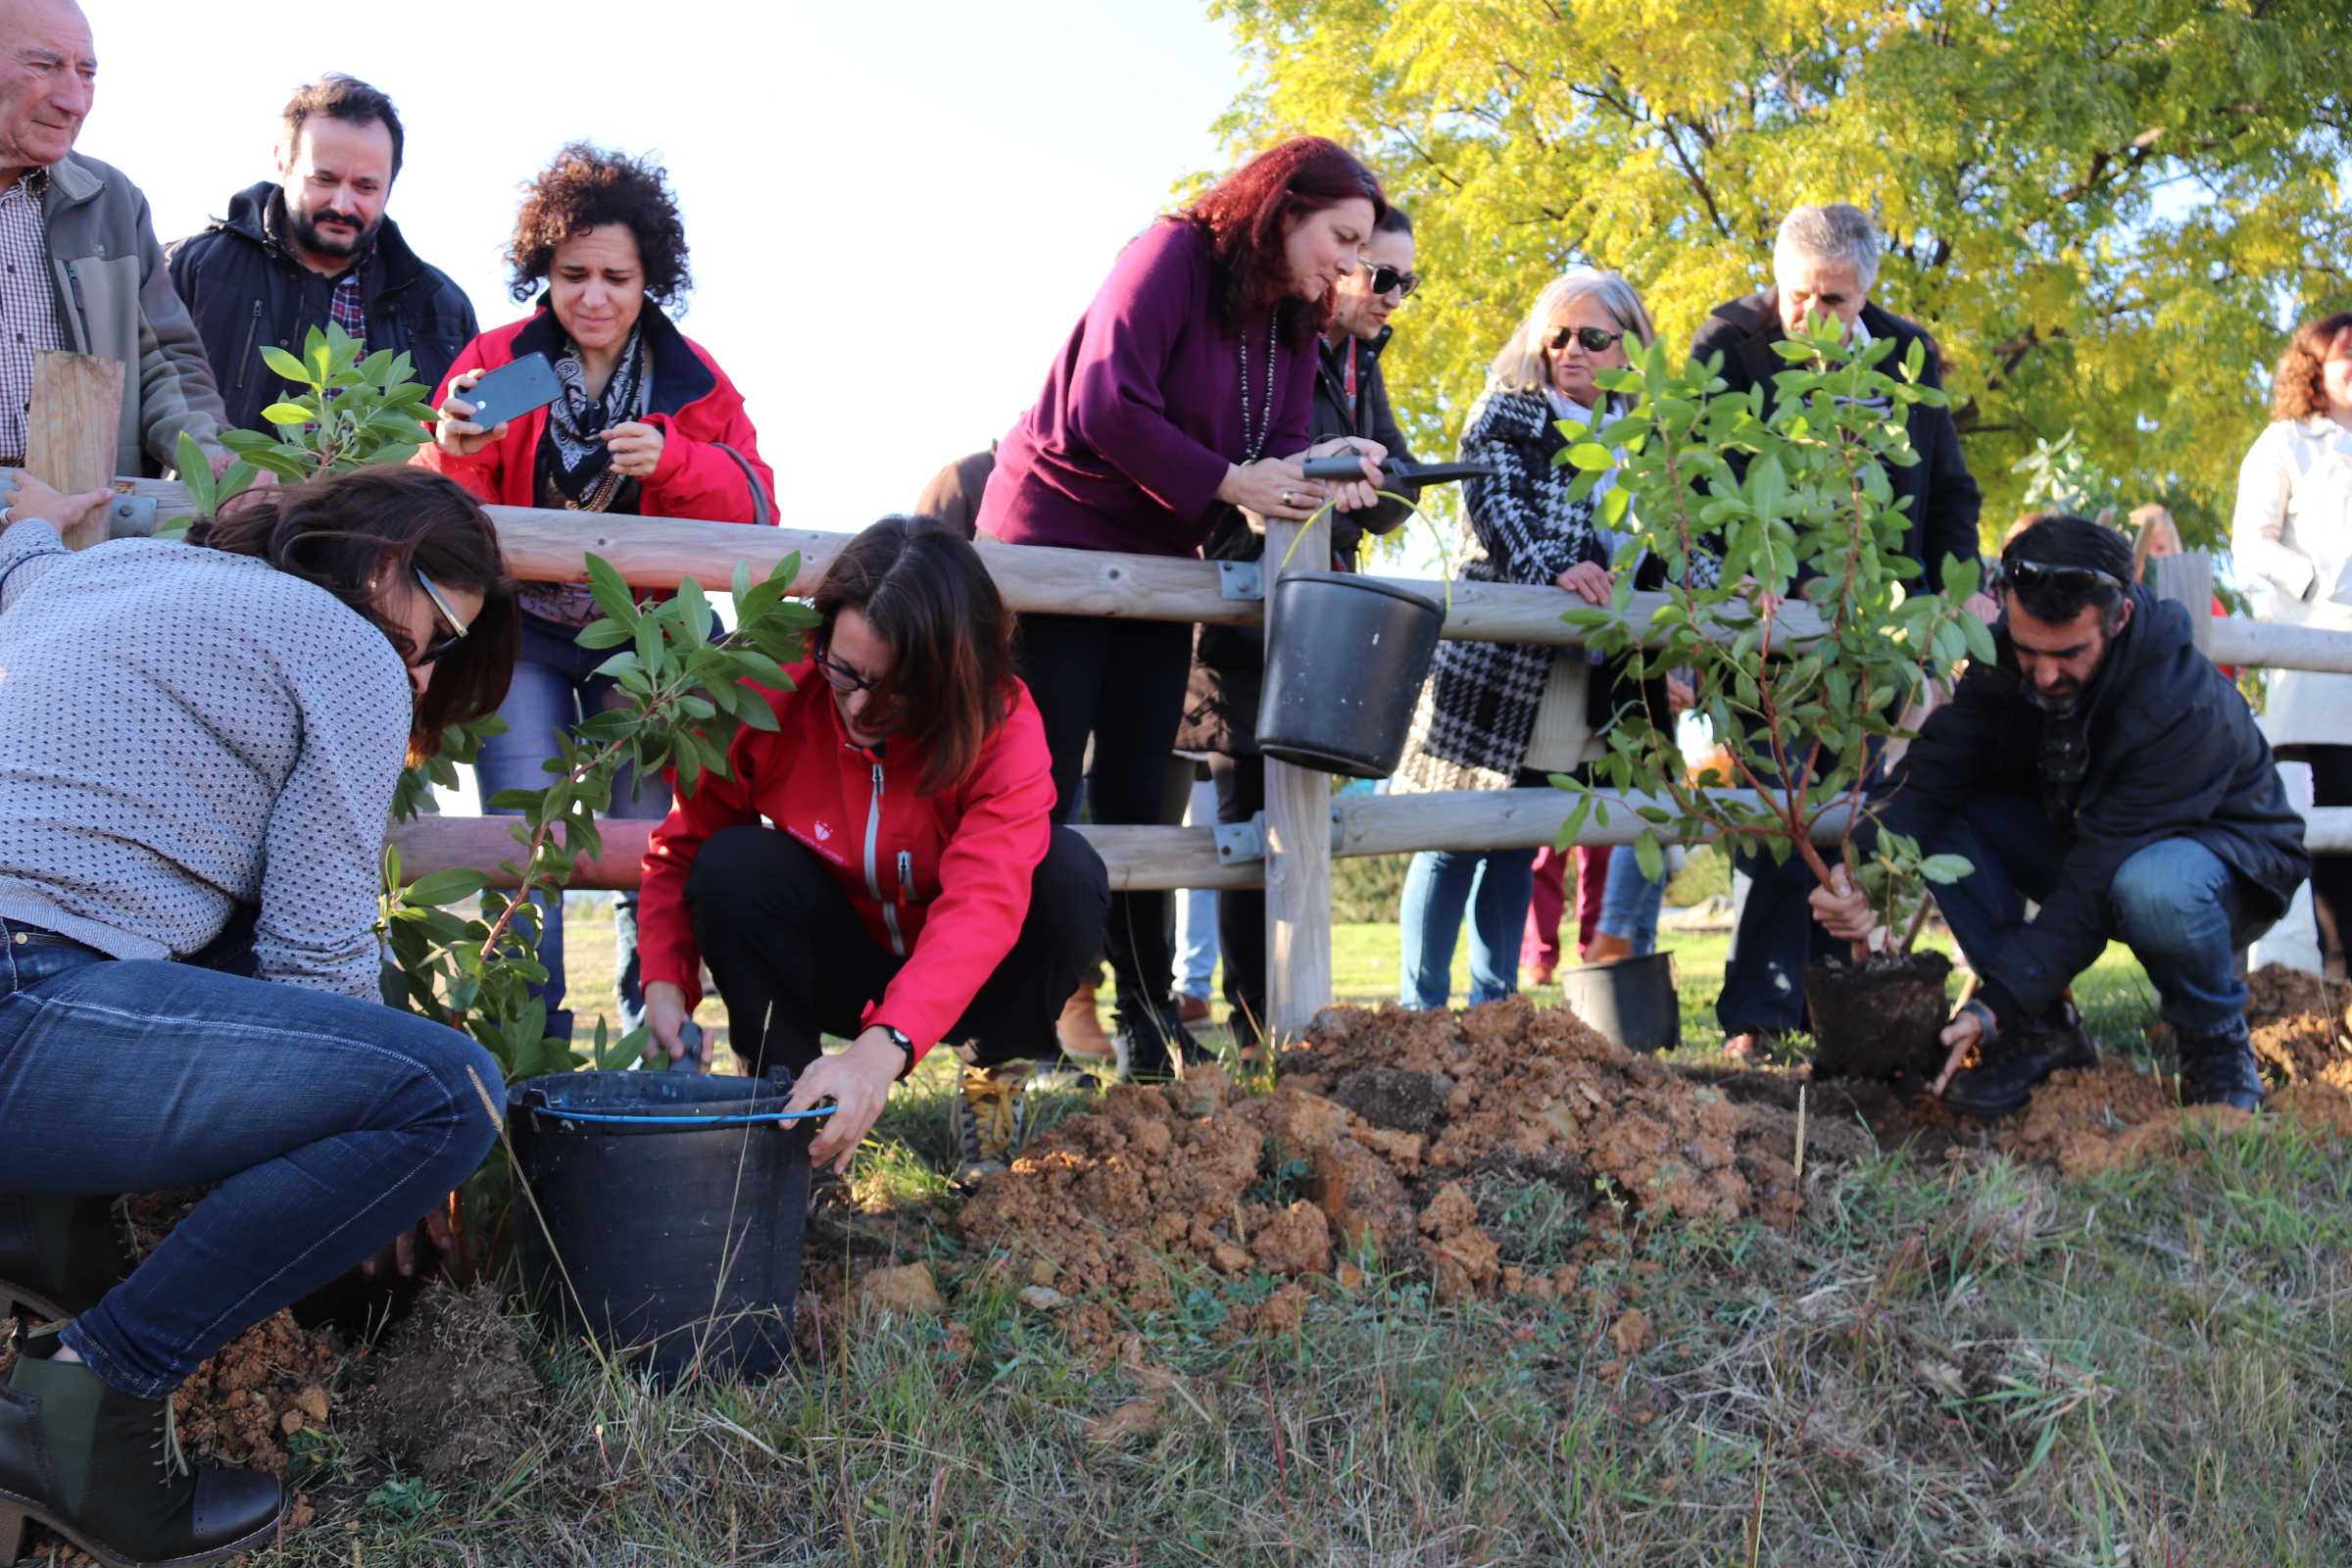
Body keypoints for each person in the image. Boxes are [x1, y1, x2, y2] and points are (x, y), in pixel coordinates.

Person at [0, 464, 518, 1568]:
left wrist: (39, 515)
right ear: (385, 561)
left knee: (208, 922)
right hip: (23, 1004)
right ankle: (88, 1399)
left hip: (35, 994)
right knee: (447, 1093)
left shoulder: (110, 571)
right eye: (434, 633)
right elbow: (316, 954)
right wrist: (382, 1171)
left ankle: (32, 1225)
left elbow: (19, 556)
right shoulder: (350, 652)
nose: (422, 673)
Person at [974, 134, 1392, 1074]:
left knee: (1139, 797)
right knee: (1036, 793)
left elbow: (1283, 448)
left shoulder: (1296, 318)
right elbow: (1102, 402)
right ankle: (1011, 1032)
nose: (1350, 264)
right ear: (1287, 207)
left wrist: (1329, 474)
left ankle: (1147, 1023)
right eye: (1342, 236)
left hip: (1163, 560)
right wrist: (1234, 481)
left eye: (1362, 249)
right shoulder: (1170, 255)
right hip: (1056, 546)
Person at [418, 143, 774, 1041]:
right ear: (543, 269)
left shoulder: (695, 382)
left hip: (645, 642)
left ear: (651, 277)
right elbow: (434, 501)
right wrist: (451, 451)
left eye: (617, 276)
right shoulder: (507, 364)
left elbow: (763, 506)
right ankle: (523, 1047)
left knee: (649, 841)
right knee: (521, 833)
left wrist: (681, 461)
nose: (594, 296)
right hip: (520, 637)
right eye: (572, 273)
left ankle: (656, 1037)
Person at [637, 515, 1108, 1187]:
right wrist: (664, 984)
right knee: (733, 866)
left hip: (964, 976)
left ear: (957, 677)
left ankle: (991, 1079)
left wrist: (882, 1050)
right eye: (844, 671)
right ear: (822, 637)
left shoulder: (1003, 730)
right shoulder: (773, 693)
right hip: (841, 958)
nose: (858, 708)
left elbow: (983, 906)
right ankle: (791, 1111)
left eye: (895, 693)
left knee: (1066, 877)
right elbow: (685, 848)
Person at [1809, 514, 2306, 1115]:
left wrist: (1994, 1003)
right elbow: (1938, 767)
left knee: (2154, 885)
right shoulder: (2004, 658)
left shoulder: (2176, 702)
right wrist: (1861, 871)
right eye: (2027, 651)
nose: (2042, 674)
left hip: (2225, 869)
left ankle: (2216, 1042)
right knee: (1953, 812)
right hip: (2095, 845)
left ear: (2119, 618)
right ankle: (2045, 1031)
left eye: (2068, 653)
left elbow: (2096, 884)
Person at [1691, 203, 1984, 1056]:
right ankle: (1755, 1015)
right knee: (1776, 820)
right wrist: (1734, 572)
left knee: (1852, 817)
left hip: (1875, 635)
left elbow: (1950, 491)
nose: (1812, 317)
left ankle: (1827, 1010)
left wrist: (1952, 592)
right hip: (1766, 634)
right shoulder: (1726, 347)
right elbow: (1692, 483)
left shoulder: (1908, 355)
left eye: (1836, 301)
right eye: (1798, 297)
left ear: (1866, 293)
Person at [1392, 267, 1684, 1009]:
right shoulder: (1508, 411)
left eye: (1593, 337)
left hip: (1580, 676)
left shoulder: (1651, 438)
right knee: (1451, 837)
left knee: (1521, 838)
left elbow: (1681, 539)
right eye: (1557, 336)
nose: (1571, 352)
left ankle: (1494, 1008)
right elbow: (1498, 506)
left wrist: (1724, 585)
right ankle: (1421, 1009)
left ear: (1631, 347)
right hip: (1495, 660)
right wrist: (1557, 568)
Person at [1179, 201, 1421, 1042]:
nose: (1393, 293)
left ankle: (1292, 1023)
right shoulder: (1278, 347)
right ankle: (1255, 1029)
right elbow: (1261, 478)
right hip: (1244, 622)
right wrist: (1341, 486)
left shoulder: (1362, 360)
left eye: (1406, 280)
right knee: (1249, 827)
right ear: (1338, 260)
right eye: (1379, 272)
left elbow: (1395, 493)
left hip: (1317, 621)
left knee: (1303, 817)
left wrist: (1364, 486)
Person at [168, 74, 478, 436]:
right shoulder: (195, 266)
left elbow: (464, 452)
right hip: (216, 494)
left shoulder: (442, 308)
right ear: (283, 165)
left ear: (391, 184)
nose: (342, 205)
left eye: (365, 186)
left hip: (380, 496)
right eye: (324, 180)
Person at [0, 0, 227, 478]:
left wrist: (210, 457)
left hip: (78, 528)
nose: (75, 101)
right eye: (45, 65)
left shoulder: (114, 200)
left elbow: (163, 361)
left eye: (86, 73)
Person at [2232, 313, 2352, 978]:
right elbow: (2250, 541)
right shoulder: (2284, 444)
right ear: (2315, 366)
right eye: (2347, 355)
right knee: (2337, 816)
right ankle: (2340, 970)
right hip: (2322, 660)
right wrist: (2318, 586)